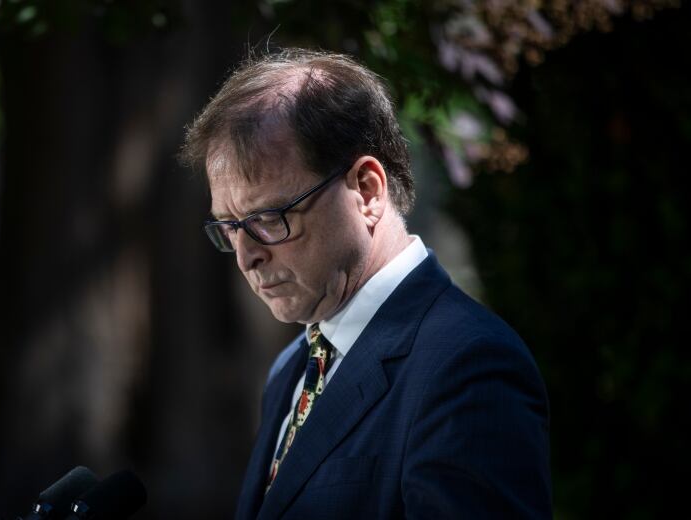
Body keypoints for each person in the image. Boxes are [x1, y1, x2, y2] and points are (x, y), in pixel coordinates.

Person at [180, 48, 551, 519]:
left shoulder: (467, 363)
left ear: (368, 191)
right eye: (229, 226)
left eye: (269, 218)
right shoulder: (291, 369)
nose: (246, 255)